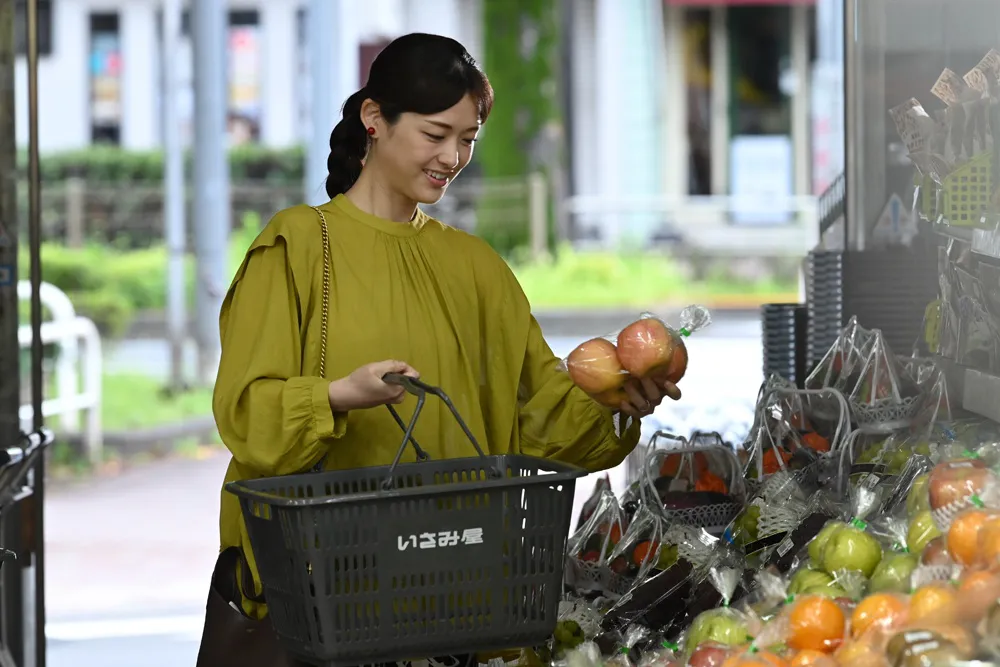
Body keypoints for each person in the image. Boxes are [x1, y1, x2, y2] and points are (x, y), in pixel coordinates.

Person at [196, 33, 680, 667]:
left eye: (468, 139)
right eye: (435, 134)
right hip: (328, 611)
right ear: (375, 119)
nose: (453, 156)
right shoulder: (296, 246)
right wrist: (340, 395)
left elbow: (537, 417)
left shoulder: (474, 265)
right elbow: (246, 415)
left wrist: (617, 398)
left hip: (459, 607)